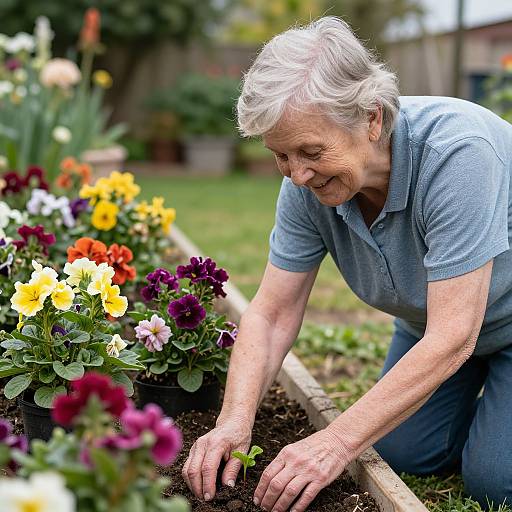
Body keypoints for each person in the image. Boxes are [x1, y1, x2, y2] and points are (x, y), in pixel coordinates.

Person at [182, 16, 512, 512]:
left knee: (495, 480)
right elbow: (271, 315)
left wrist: (334, 443)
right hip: (434, 327)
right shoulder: (306, 184)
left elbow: (454, 335)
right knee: (401, 453)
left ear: (372, 118)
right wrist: (233, 420)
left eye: (311, 151)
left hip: (472, 325)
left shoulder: (456, 154)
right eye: (281, 155)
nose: (296, 175)